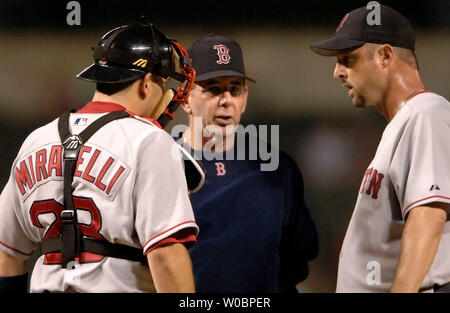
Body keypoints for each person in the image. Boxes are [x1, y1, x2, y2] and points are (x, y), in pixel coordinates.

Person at [0, 22, 203, 293]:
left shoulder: (37, 139)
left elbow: (7, 256)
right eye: (163, 81)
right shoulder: (149, 140)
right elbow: (165, 255)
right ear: (145, 84)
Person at [311, 5, 450, 293]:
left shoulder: (426, 112)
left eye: (347, 59)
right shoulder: (403, 123)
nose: (337, 72)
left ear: (385, 56)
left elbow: (428, 215)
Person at [175, 34, 318, 292]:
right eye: (213, 89)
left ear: (245, 96)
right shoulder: (162, 165)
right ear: (185, 97)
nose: (226, 100)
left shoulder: (277, 169)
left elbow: (299, 254)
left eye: (235, 88)